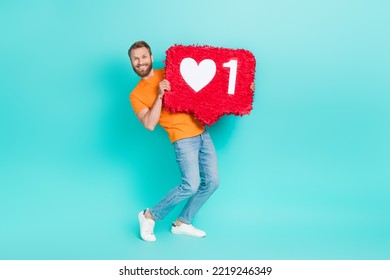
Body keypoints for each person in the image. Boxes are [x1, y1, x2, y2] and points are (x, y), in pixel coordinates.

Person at [128, 40, 254, 242]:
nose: (140, 62)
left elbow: (210, 85)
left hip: (202, 132)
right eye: (136, 59)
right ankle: (149, 215)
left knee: (212, 182)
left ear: (151, 58)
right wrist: (159, 95)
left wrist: (242, 88)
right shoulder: (136, 95)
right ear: (132, 63)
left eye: (143, 57)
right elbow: (149, 124)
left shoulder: (171, 71)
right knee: (190, 185)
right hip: (182, 138)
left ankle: (182, 223)